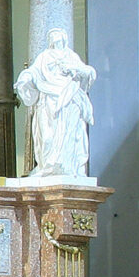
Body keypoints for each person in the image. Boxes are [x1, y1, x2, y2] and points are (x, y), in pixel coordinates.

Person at [16, 31, 97, 181]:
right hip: (48, 98)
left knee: (68, 134)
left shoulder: (71, 56)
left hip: (68, 97)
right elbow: (34, 71)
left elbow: (88, 72)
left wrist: (76, 69)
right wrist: (25, 77)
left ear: (63, 38)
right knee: (46, 137)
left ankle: (65, 166)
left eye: (58, 36)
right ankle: (46, 167)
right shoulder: (44, 56)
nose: (55, 39)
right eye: (52, 37)